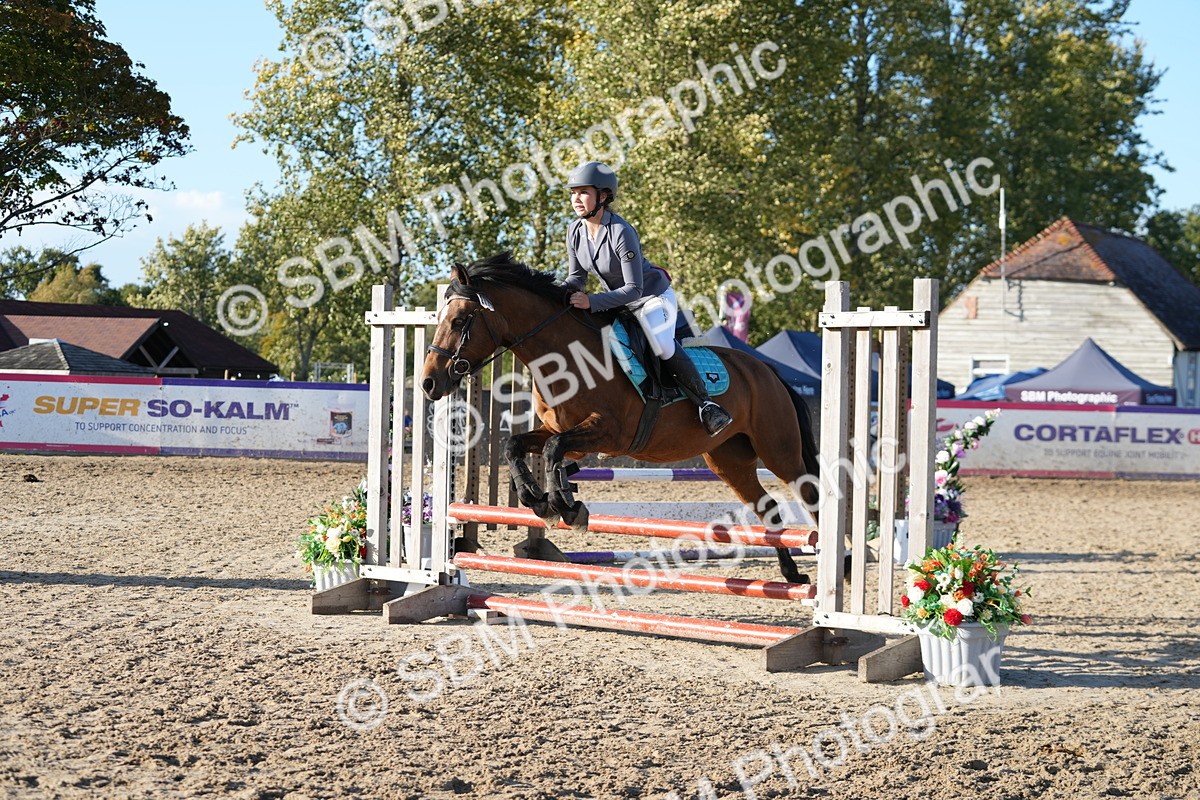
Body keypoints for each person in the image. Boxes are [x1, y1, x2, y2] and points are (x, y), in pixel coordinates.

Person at [562, 161, 732, 436]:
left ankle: (707, 405)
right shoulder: (575, 231)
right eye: (573, 193)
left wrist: (591, 302)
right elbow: (576, 278)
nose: (576, 199)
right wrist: (559, 293)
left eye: (583, 192)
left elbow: (634, 290)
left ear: (603, 196)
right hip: (619, 303)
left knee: (661, 343)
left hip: (651, 297)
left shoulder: (620, 231)